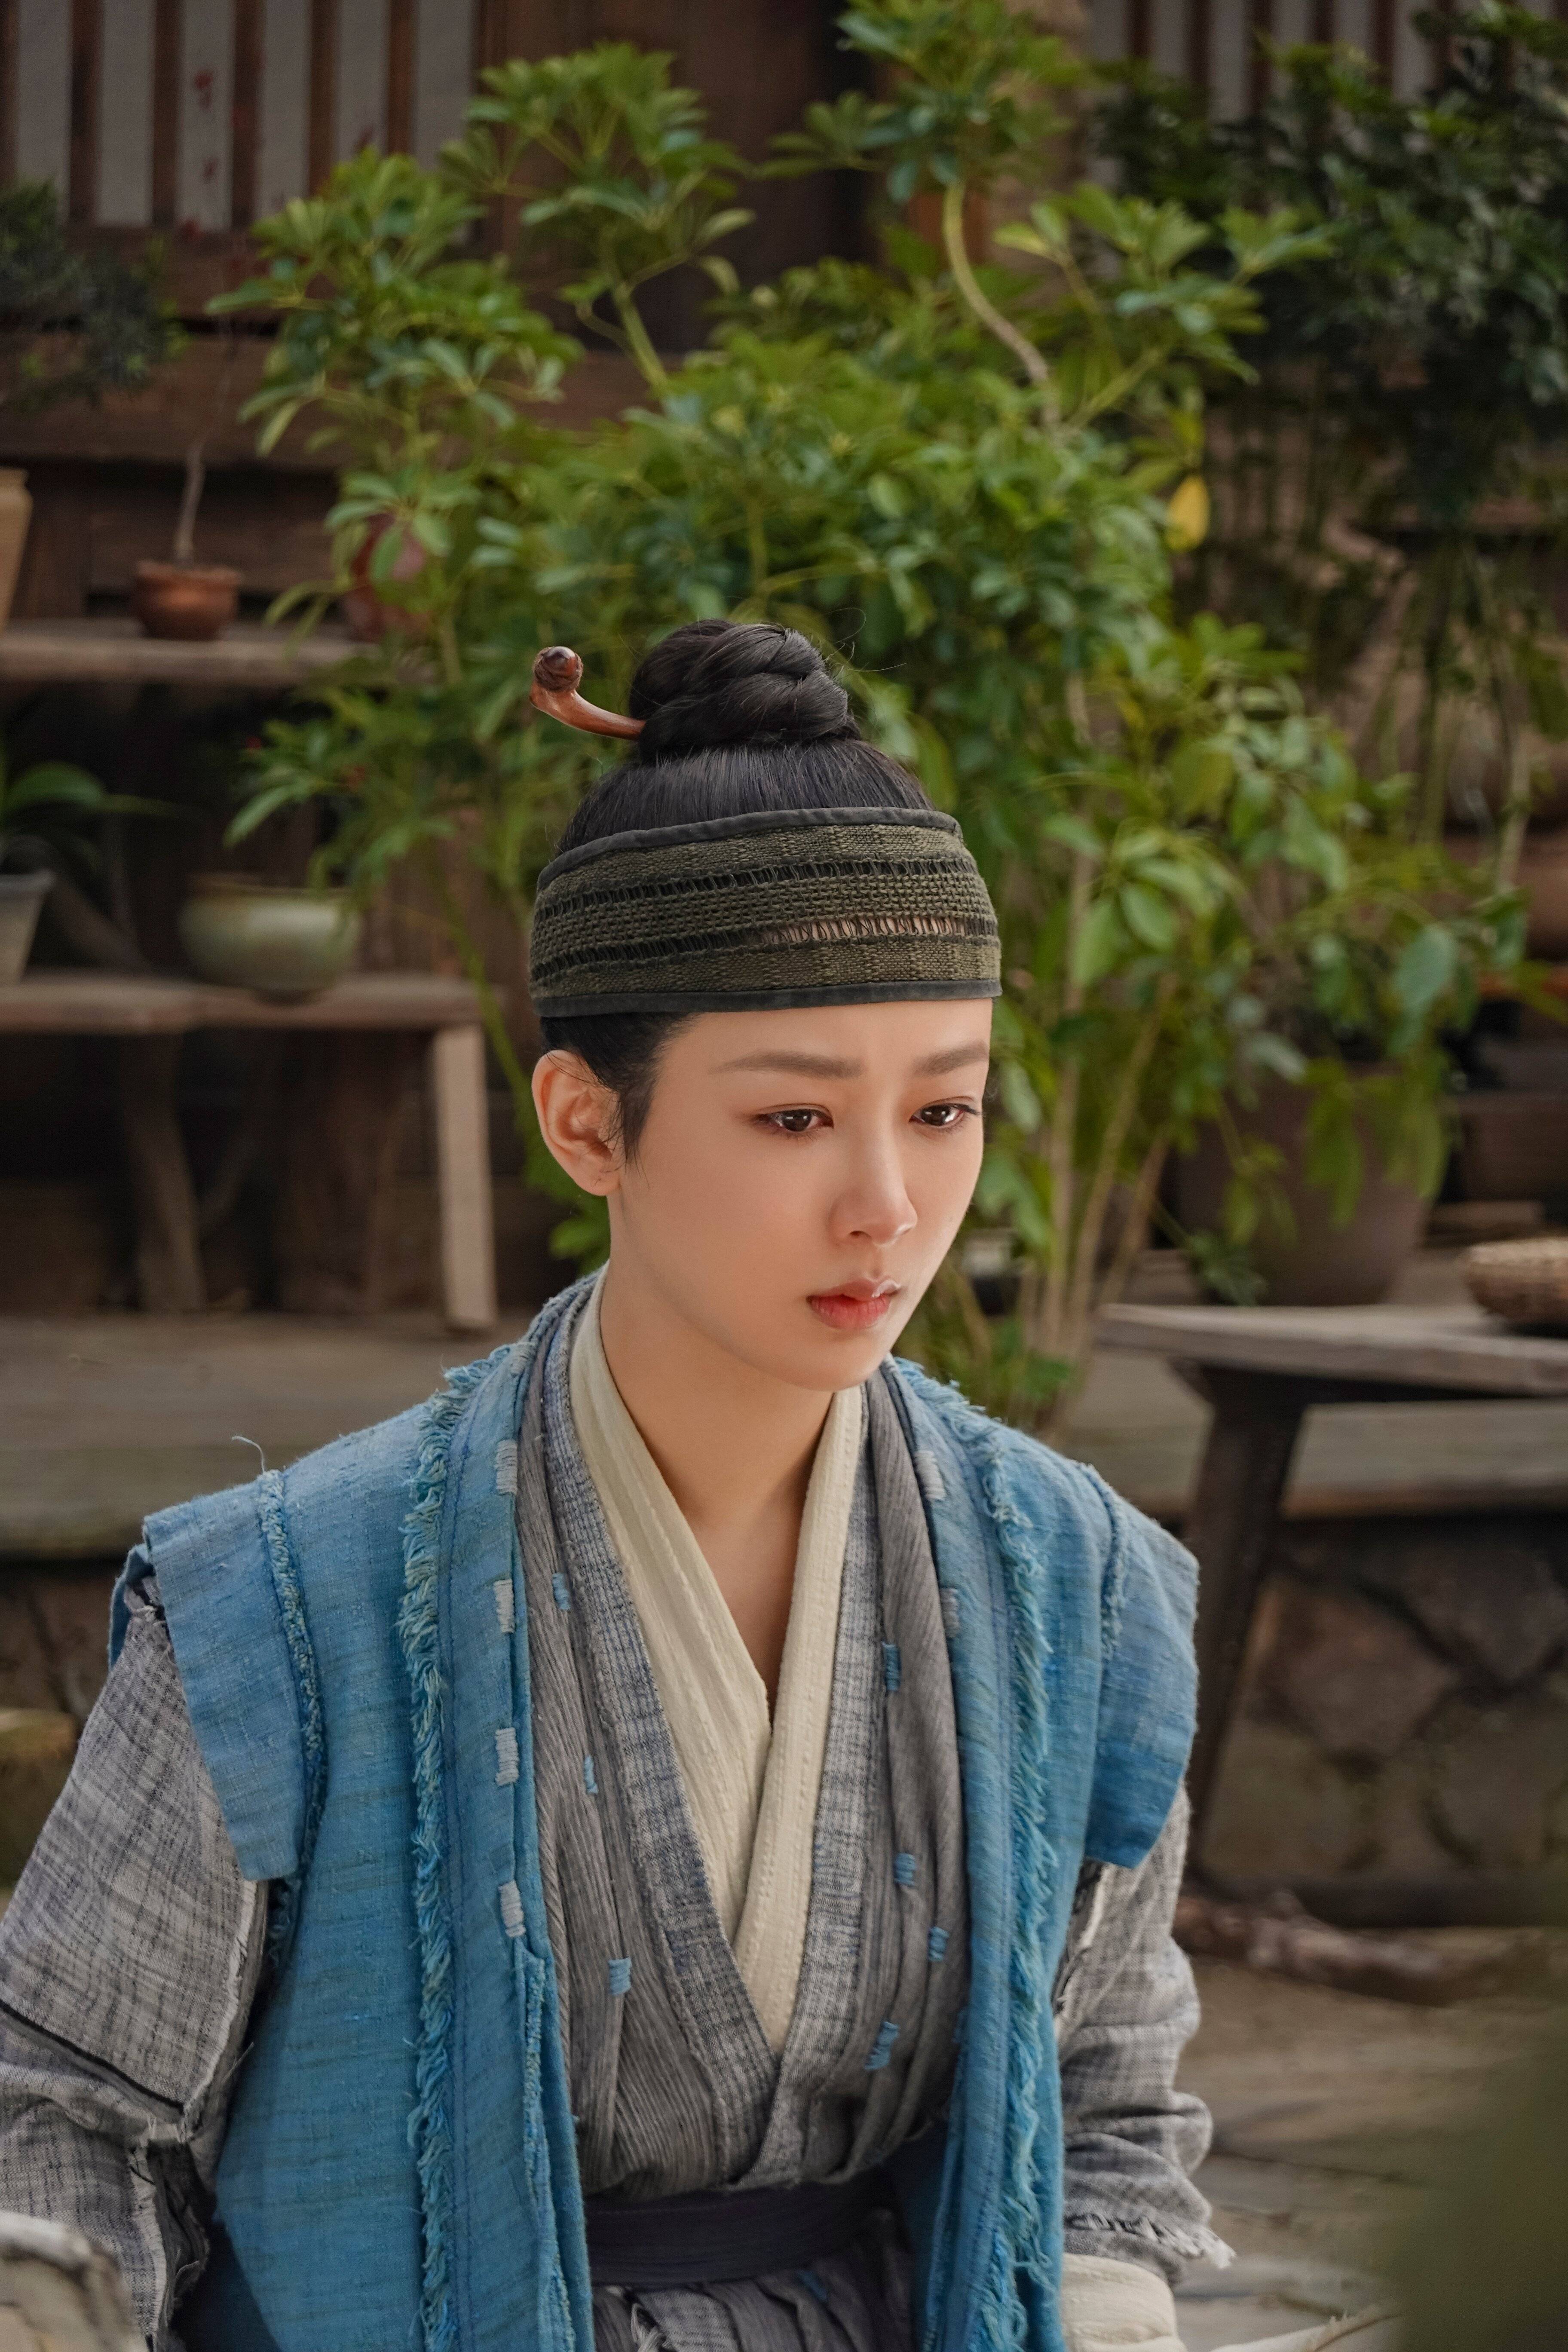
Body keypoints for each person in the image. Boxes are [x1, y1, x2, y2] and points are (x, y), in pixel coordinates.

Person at [1, 621, 1243, 2352]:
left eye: (944, 1111)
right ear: (588, 1124)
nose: (888, 1206)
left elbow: (1101, 2101)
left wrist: (1105, 2308)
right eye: (795, 1120)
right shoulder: (283, 1607)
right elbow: (62, 2127)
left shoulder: (1070, 1577)